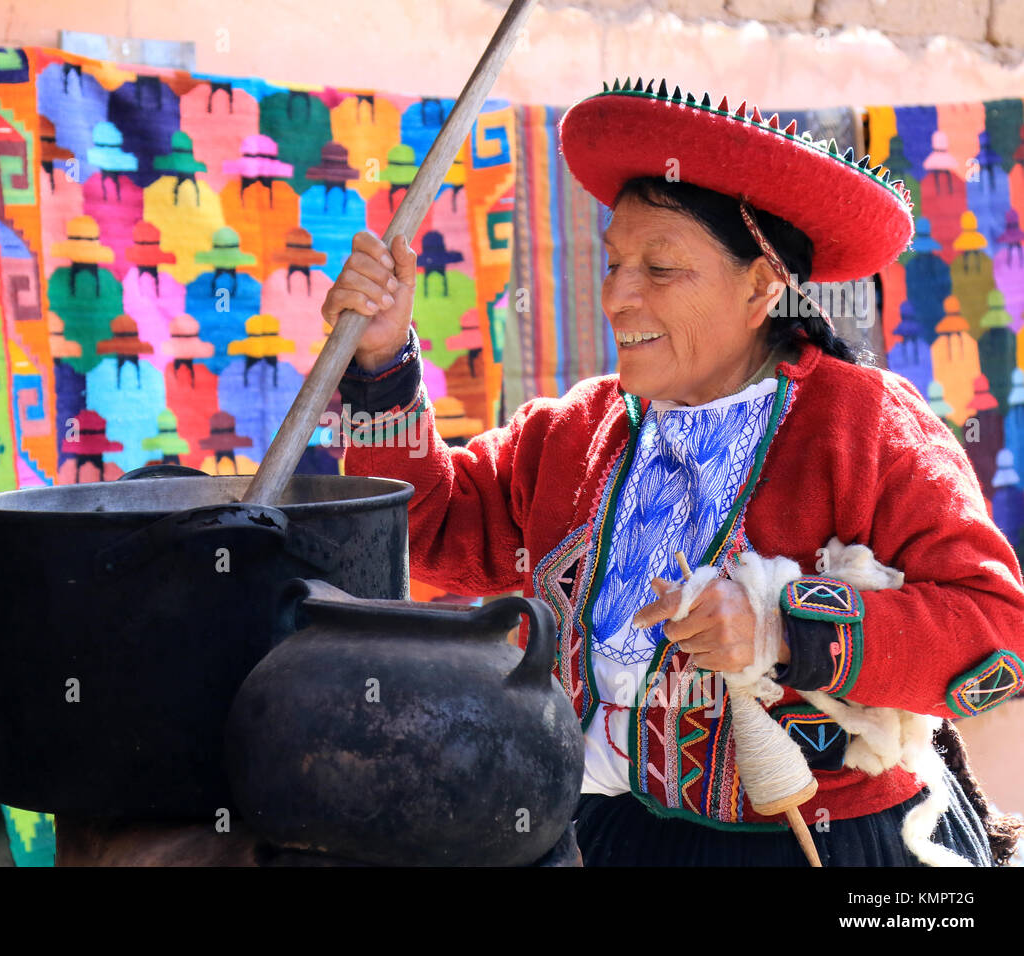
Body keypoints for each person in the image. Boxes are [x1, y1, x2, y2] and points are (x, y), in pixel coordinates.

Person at [322, 77, 1024, 866]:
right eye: (614, 260)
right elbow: (426, 528)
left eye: (660, 269)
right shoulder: (571, 436)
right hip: (606, 837)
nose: (617, 295)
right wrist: (382, 363)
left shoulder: (863, 428)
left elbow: (998, 637)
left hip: (822, 846)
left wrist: (782, 626)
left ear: (761, 285)